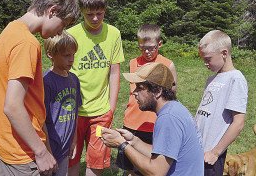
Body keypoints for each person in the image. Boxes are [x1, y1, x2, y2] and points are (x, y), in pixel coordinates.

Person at [0, 0, 79, 176]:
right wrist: (41, 151)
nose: (61, 31)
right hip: (23, 153)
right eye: (63, 24)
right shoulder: (27, 43)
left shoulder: (10, 30)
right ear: (52, 11)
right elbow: (12, 105)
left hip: (5, 145)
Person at [101, 62, 204, 176]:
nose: (134, 92)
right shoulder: (175, 108)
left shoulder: (168, 118)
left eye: (140, 88)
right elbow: (163, 154)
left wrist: (122, 144)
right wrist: (133, 141)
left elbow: (156, 172)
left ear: (158, 91)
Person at [67, 0, 125, 176]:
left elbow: (114, 72)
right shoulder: (71, 34)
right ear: (82, 12)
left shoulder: (113, 34)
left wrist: (111, 107)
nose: (95, 19)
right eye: (89, 14)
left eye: (99, 13)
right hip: (74, 111)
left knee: (96, 160)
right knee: (72, 157)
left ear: (105, 10)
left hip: (101, 112)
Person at [117, 24, 177, 176]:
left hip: (154, 124)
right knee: (129, 166)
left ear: (159, 44)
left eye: (151, 47)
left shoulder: (168, 65)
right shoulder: (133, 63)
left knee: (149, 166)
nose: (147, 52)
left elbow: (172, 95)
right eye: (142, 48)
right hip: (132, 122)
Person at [195, 30, 248, 176]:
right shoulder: (211, 80)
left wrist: (215, 152)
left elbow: (238, 123)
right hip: (197, 151)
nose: (205, 63)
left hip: (211, 157)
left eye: (208, 59)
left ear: (224, 53)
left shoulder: (236, 79)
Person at [43, 32, 82, 176]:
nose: (71, 60)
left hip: (66, 147)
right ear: (50, 54)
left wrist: (74, 141)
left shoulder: (74, 79)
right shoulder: (46, 81)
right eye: (66, 55)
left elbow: (75, 111)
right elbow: (41, 119)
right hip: (50, 148)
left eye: (73, 55)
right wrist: (47, 150)